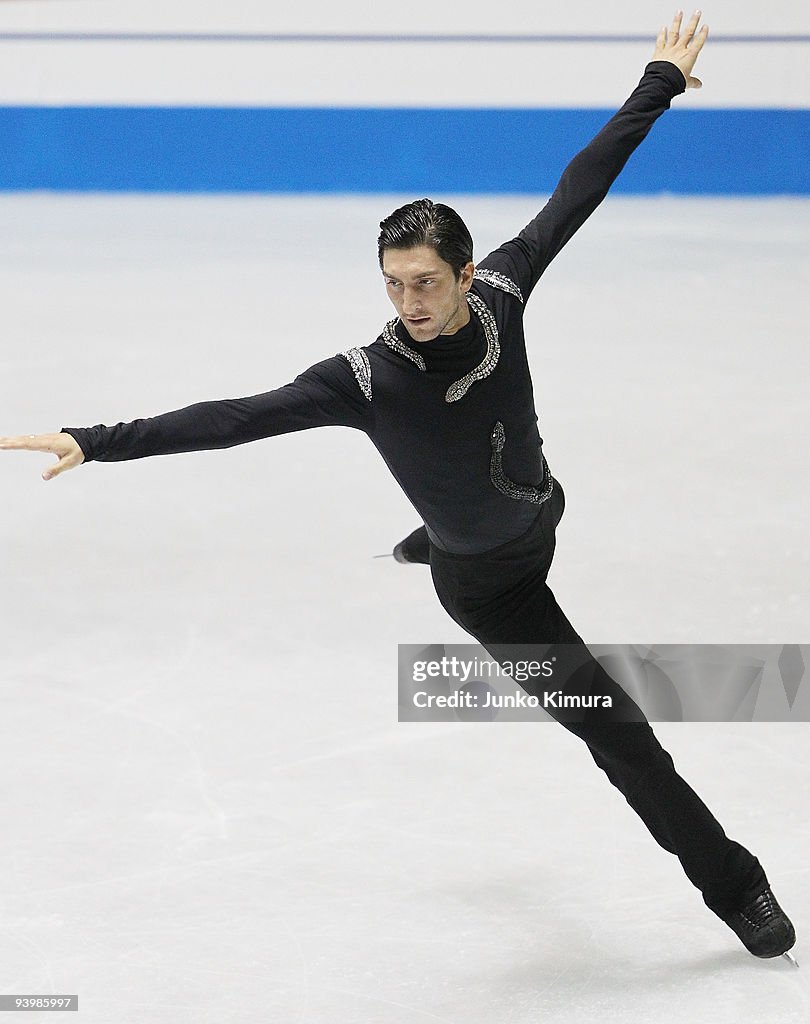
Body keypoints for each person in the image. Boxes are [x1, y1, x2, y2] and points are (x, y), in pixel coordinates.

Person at [0, 11, 797, 963]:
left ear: (464, 272)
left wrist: (658, 82)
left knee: (530, 494)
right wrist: (99, 440)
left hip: (536, 509)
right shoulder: (363, 378)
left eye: (425, 282)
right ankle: (738, 886)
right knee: (617, 731)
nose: (409, 305)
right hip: (493, 588)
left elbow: (582, 185)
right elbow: (233, 419)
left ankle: (437, 524)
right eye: (392, 285)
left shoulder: (504, 290)